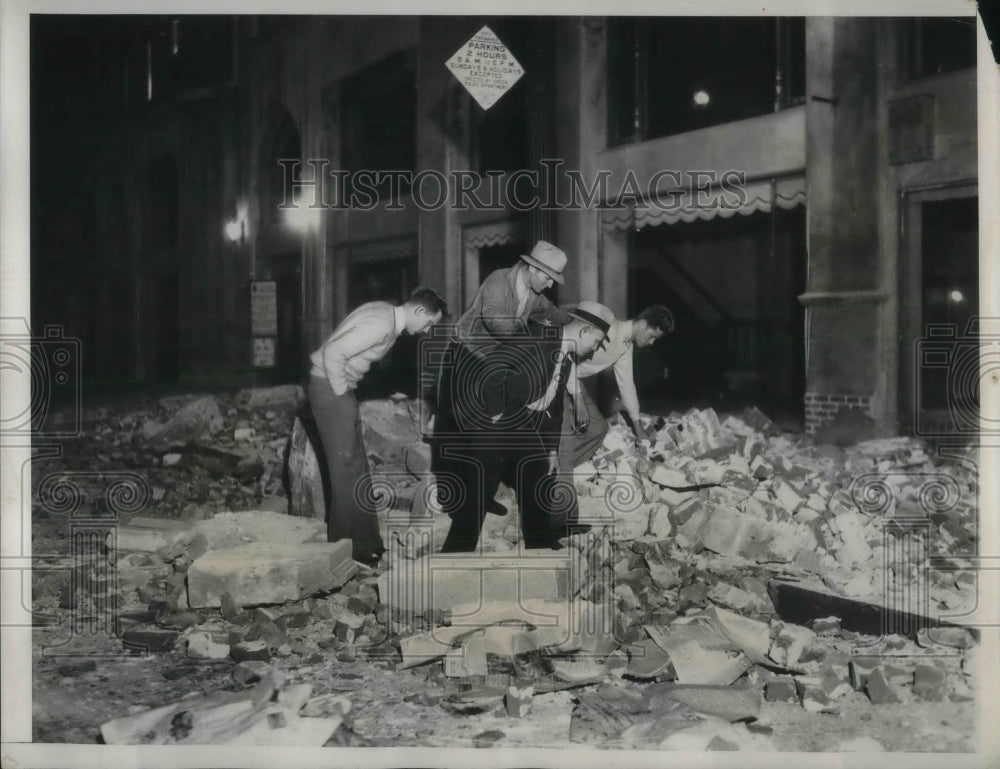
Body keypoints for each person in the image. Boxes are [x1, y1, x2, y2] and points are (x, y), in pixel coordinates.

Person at [440, 306, 611, 552]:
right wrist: (497, 413)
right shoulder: (537, 335)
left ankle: (540, 544)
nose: (594, 349)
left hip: (519, 418)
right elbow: (492, 368)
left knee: (538, 472)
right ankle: (454, 553)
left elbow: (553, 406)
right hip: (495, 415)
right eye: (596, 342)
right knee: (482, 487)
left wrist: (551, 449)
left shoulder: (565, 356)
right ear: (585, 331)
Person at [431, 240, 578, 524]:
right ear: (532, 267)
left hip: (491, 361)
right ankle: (453, 501)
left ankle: (480, 497)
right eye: (547, 276)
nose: (549, 284)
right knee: (456, 431)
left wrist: (576, 321)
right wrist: (532, 337)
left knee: (485, 432)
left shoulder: (535, 294)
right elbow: (494, 319)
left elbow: (553, 313)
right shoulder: (499, 280)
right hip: (466, 355)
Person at [309, 286, 447, 566]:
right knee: (345, 468)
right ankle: (347, 550)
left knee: (358, 464)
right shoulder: (382, 324)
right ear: (419, 311)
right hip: (330, 389)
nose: (426, 330)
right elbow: (333, 353)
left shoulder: (385, 310)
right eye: (429, 323)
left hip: (335, 388)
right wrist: (341, 394)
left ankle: (367, 542)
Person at [560, 303, 674, 474]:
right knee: (563, 435)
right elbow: (564, 355)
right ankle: (550, 468)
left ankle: (557, 469)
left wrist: (638, 428)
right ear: (643, 324)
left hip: (574, 381)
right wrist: (578, 400)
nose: (651, 343)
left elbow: (627, 385)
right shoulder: (608, 325)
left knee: (598, 430)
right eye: (652, 336)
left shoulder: (626, 347)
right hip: (558, 375)